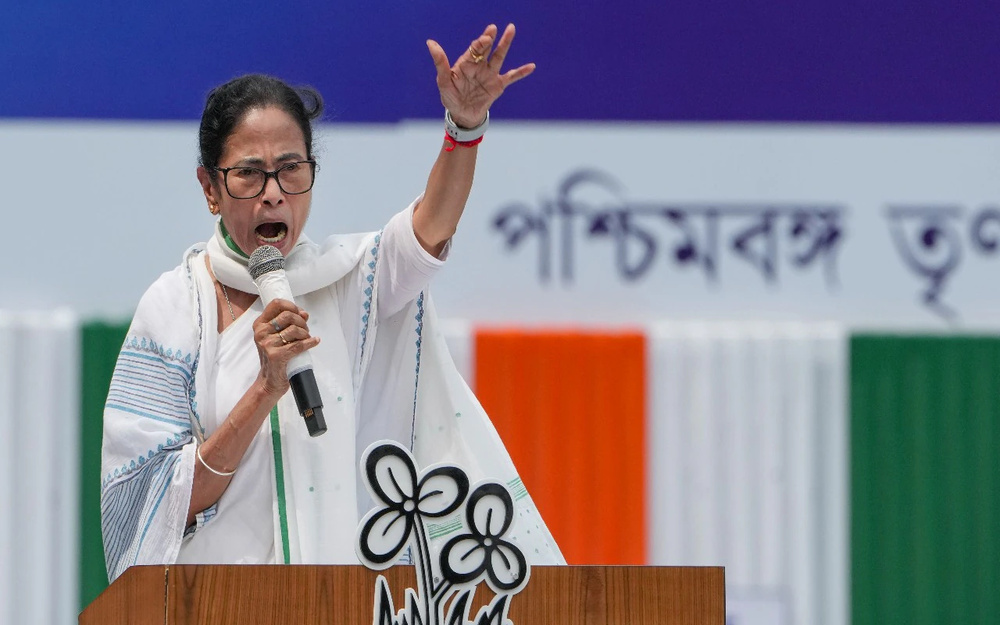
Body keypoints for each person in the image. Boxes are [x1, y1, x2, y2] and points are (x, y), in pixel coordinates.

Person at [100, 24, 564, 581]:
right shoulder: (174, 308)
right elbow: (148, 505)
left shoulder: (346, 281)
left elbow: (429, 231)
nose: (274, 193)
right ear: (209, 188)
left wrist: (464, 128)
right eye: (248, 174)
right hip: (216, 605)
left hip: (335, 603)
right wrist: (265, 389)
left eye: (291, 169)